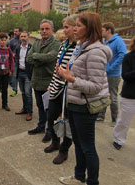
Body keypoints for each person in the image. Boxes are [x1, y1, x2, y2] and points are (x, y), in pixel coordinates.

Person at [58, 12, 112, 185]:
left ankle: (92, 181)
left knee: (88, 148)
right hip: (75, 102)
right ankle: (79, 177)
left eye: (79, 25)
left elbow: (95, 86)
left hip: (85, 106)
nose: (74, 28)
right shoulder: (82, 47)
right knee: (79, 145)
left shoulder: (96, 52)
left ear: (89, 28)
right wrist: (66, 74)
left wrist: (72, 79)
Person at [44, 15, 77, 165]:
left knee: (67, 122)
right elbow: (57, 66)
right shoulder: (64, 44)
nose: (64, 30)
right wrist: (52, 83)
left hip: (69, 90)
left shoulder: (79, 47)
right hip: (56, 86)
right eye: (63, 27)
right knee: (51, 117)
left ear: (75, 27)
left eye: (66, 27)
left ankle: (64, 151)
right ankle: (55, 141)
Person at [27, 19, 61, 143]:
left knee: (50, 109)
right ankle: (41, 127)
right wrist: (40, 57)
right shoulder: (36, 43)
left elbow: (50, 57)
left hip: (49, 82)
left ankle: (50, 132)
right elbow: (28, 58)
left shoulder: (56, 43)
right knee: (40, 106)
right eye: (42, 29)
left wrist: (36, 56)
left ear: (52, 30)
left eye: (47, 29)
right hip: (37, 80)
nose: (44, 31)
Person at [98, 22, 126, 125]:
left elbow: (122, 55)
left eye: (102, 30)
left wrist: (111, 67)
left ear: (108, 30)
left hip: (113, 75)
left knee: (113, 97)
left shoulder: (118, 41)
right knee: (102, 95)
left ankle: (114, 119)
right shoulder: (105, 42)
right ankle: (101, 116)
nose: (101, 32)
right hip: (104, 73)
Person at [113, 36, 135, 150]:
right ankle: (118, 139)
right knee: (124, 121)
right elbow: (125, 76)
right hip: (130, 96)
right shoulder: (128, 57)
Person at [15, 31, 33, 121]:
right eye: (21, 36)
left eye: (25, 36)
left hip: (27, 73)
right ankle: (25, 108)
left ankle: (30, 112)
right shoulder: (18, 48)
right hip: (20, 72)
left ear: (28, 37)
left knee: (28, 93)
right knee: (22, 92)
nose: (23, 38)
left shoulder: (31, 48)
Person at [9, 27, 22, 97]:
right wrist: (12, 55)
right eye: (14, 31)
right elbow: (9, 50)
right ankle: (14, 89)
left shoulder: (23, 39)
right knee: (14, 76)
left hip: (23, 61)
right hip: (15, 61)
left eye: (16, 31)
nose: (15, 33)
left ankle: (22, 90)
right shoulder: (12, 41)